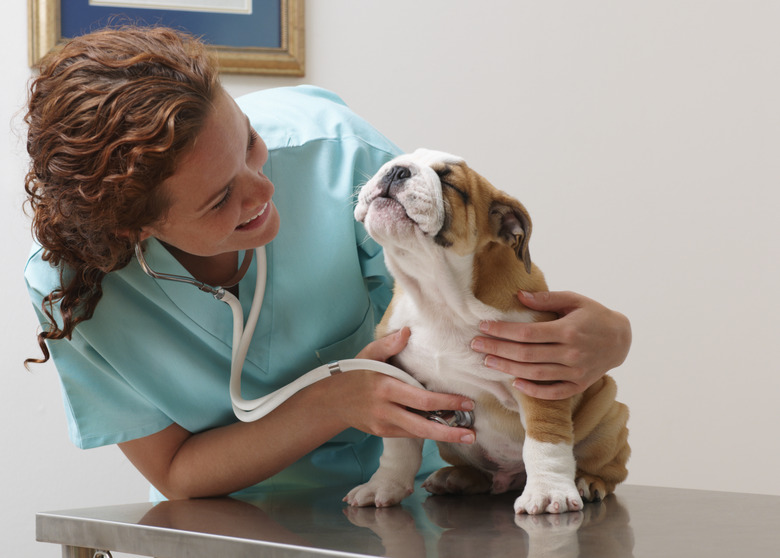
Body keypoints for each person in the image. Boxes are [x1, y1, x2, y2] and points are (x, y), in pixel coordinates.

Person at [23, 26, 631, 501]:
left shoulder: (336, 155)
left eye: (250, 144)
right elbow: (176, 472)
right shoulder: (74, 289)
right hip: (225, 523)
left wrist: (611, 336)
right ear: (136, 230)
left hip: (408, 505)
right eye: (218, 200)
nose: (261, 189)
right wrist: (333, 403)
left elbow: (486, 290)